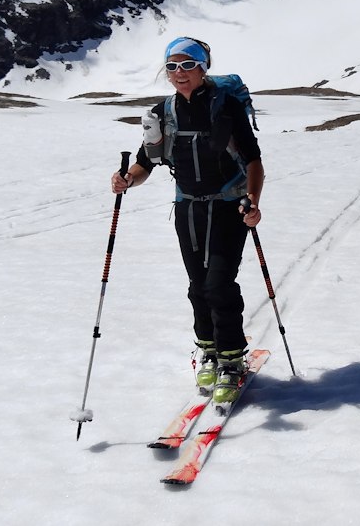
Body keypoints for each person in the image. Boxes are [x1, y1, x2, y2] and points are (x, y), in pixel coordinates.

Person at [111, 37, 265, 405]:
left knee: (219, 284)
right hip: (188, 208)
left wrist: (254, 202)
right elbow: (147, 163)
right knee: (198, 284)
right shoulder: (163, 111)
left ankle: (231, 359)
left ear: (203, 67)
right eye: (173, 67)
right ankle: (208, 350)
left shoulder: (225, 106)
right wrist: (127, 180)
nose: (179, 74)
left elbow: (254, 160)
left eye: (187, 65)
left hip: (230, 206)